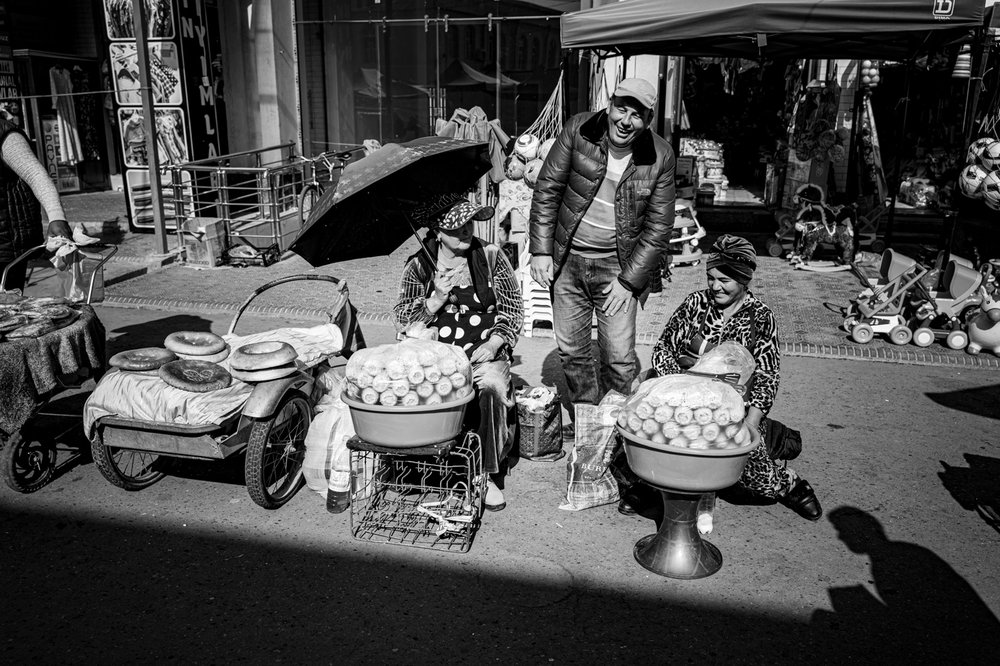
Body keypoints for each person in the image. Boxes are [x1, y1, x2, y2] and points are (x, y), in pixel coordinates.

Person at [645, 234, 823, 521]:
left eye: (725, 280)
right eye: (711, 277)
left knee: (757, 481)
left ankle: (788, 482)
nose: (716, 286)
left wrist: (748, 427)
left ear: (744, 279)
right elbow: (664, 348)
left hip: (733, 412)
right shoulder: (695, 304)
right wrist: (677, 388)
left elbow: (767, 376)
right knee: (653, 442)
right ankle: (648, 484)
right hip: (683, 403)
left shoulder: (760, 317)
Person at [528, 77, 675, 419]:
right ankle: (587, 421)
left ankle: (617, 426)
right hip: (568, 261)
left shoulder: (661, 155)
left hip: (618, 267)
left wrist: (629, 282)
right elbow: (548, 188)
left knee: (620, 357)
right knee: (572, 352)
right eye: (621, 108)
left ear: (648, 120)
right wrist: (540, 251)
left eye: (636, 115)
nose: (626, 120)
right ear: (609, 105)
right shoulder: (579, 129)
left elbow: (659, 228)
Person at [394, 196, 523, 511]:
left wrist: (494, 343)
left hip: (483, 352)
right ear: (438, 230)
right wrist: (435, 298)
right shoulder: (420, 265)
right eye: (456, 227)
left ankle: (485, 473)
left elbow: (513, 310)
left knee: (491, 387)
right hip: (435, 357)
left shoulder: (491, 256)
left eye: (469, 224)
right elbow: (402, 320)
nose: (466, 231)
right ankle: (417, 462)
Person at [0, 116, 73, 292]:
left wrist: (56, 216)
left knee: (8, 311)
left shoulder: (6, 136)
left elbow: (35, 175)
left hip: (6, 245)